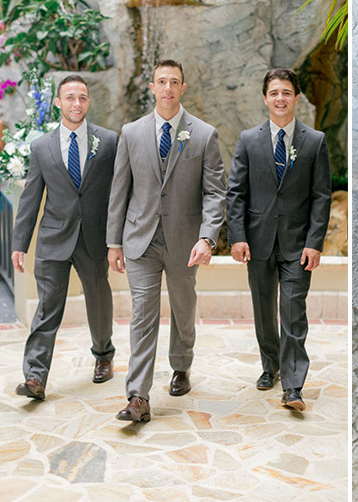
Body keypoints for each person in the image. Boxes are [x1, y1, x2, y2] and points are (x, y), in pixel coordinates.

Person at [106, 59, 226, 423]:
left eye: (175, 82)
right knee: (142, 314)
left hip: (184, 242)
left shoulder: (204, 135)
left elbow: (215, 193)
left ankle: (181, 366)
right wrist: (114, 242)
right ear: (153, 87)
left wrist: (207, 237)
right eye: (162, 81)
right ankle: (138, 396)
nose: (168, 88)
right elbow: (119, 191)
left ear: (183, 88)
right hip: (140, 240)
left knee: (182, 307)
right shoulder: (131, 132)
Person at [227, 68, 331, 411]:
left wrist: (315, 242)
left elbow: (321, 196)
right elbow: (236, 194)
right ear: (265, 98)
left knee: (293, 310)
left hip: (297, 244)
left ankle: (293, 385)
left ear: (297, 97)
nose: (280, 98)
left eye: (287, 92)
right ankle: (269, 365)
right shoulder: (248, 140)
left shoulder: (314, 141)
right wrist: (237, 237)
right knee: (263, 309)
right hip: (257, 242)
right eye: (274, 93)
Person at [11, 75, 118, 400]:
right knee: (47, 308)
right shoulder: (41, 147)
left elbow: (118, 194)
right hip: (53, 240)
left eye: (82, 97)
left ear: (88, 102)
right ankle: (35, 377)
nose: (76, 103)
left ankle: (103, 356)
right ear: (58, 102)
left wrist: (117, 240)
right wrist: (20, 243)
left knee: (98, 302)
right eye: (70, 97)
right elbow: (31, 197)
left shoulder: (109, 141)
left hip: (94, 238)